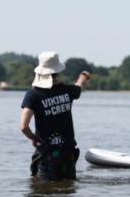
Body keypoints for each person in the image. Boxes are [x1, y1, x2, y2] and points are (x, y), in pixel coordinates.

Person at [20, 52, 90, 181]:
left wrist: (34, 138)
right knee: (67, 192)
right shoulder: (68, 91)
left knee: (43, 192)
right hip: (68, 153)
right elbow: (79, 87)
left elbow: (24, 127)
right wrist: (83, 76)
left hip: (47, 153)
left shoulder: (33, 94)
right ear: (57, 72)